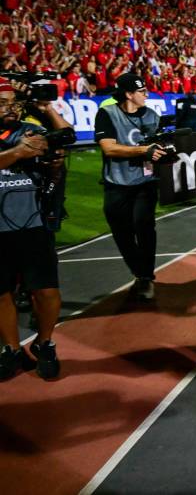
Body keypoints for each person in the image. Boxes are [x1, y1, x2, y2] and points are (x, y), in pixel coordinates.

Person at [0, 78, 67, 380]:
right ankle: (12, 350)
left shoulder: (31, 130)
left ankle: (44, 342)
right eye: (2, 102)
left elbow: (65, 137)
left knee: (47, 290)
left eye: (12, 101)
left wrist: (53, 168)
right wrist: (16, 154)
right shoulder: (22, 141)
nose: (10, 108)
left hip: (33, 222)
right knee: (1, 294)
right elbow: (17, 155)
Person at [94, 73, 168, 301]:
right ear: (128, 94)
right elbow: (109, 148)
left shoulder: (153, 115)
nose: (147, 94)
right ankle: (140, 272)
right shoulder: (107, 114)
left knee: (143, 225)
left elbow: (160, 144)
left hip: (145, 182)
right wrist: (141, 151)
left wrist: (165, 151)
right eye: (142, 91)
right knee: (122, 232)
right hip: (116, 183)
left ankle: (145, 277)